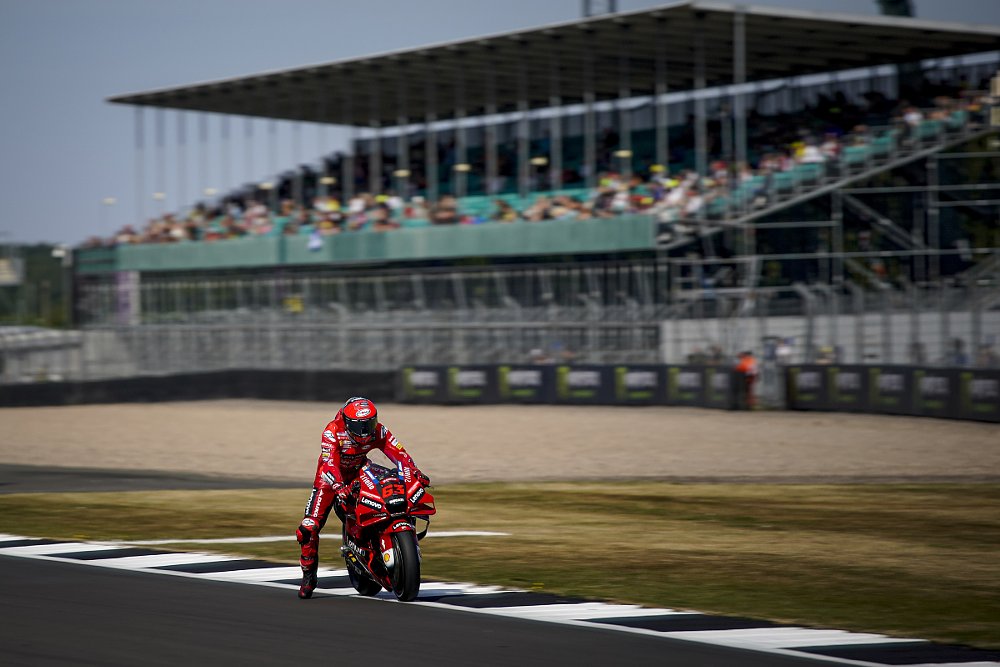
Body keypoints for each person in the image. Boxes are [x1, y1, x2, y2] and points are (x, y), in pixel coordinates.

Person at [295, 396, 430, 599]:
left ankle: (381, 538)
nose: (367, 431)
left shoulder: (379, 431)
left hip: (360, 471)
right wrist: (338, 486)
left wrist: (414, 471)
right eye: (361, 426)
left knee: (390, 492)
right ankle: (309, 576)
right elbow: (329, 464)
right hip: (330, 480)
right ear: (348, 423)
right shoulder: (332, 431)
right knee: (308, 528)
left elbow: (399, 453)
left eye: (370, 423)